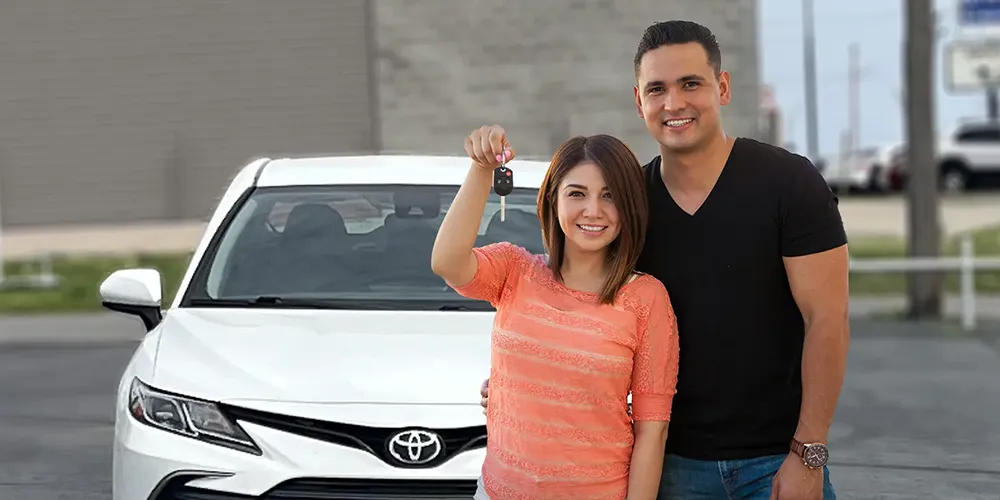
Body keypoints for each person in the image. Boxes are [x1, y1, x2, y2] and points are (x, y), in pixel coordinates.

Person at [479, 20, 850, 500]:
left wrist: (809, 452)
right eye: (657, 89)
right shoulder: (627, 207)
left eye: (690, 84)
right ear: (639, 101)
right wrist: (520, 380)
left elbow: (828, 320)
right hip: (669, 466)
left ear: (723, 86)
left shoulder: (789, 184)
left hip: (776, 458)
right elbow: (581, 308)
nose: (674, 103)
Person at [431, 127, 681, 499]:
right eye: (576, 194)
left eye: (610, 196)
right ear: (553, 199)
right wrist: (482, 169)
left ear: (630, 206)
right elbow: (447, 262)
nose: (593, 211)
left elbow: (652, 430)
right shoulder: (515, 270)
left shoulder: (646, 298)